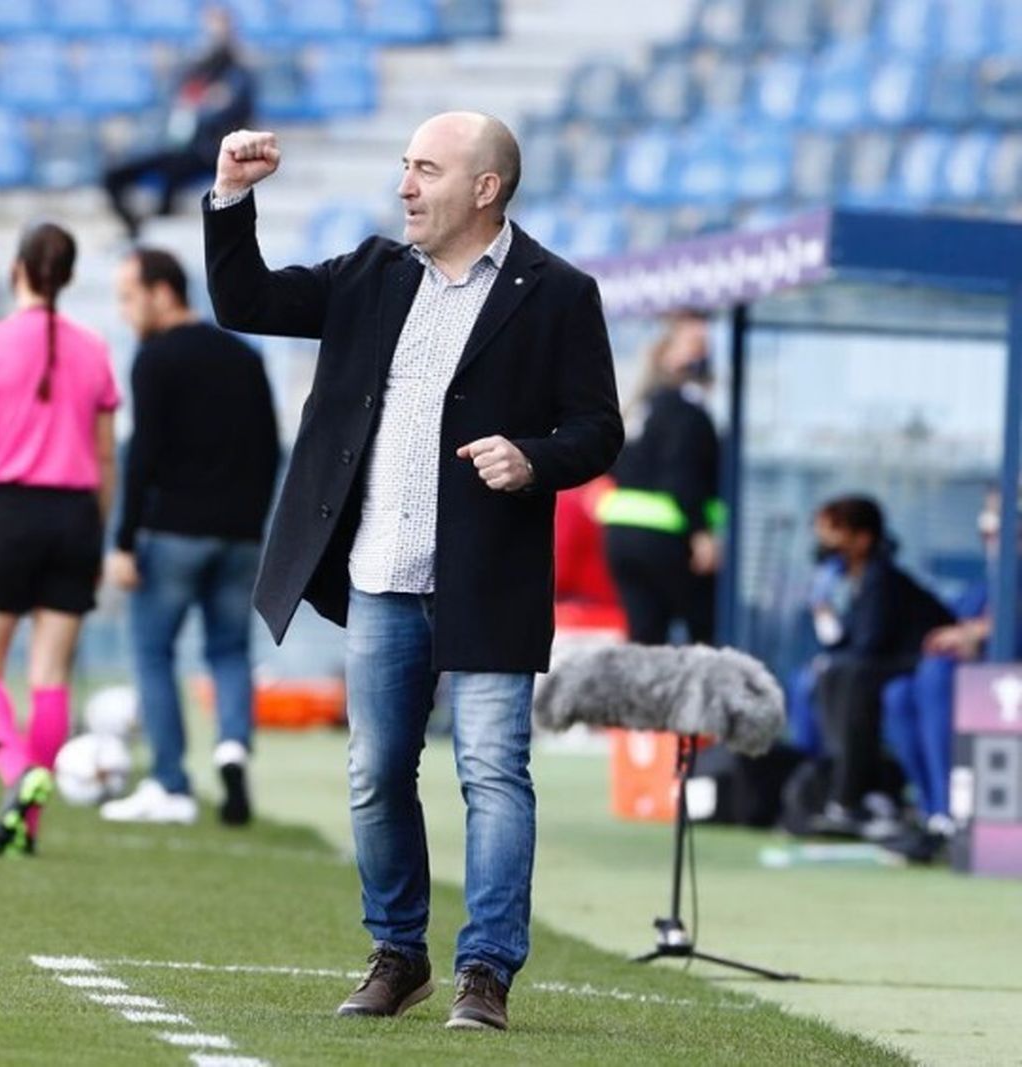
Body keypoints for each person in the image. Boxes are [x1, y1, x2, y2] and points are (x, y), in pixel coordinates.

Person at [203, 114, 622, 1031]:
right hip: (378, 573)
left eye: (425, 170)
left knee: (494, 774)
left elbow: (599, 429)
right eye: (403, 167)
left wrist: (535, 458)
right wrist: (234, 195)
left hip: (489, 578)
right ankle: (399, 953)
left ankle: (486, 972)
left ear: (485, 188)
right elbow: (249, 304)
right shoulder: (372, 272)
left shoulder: (558, 292)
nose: (404, 186)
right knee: (375, 772)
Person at [0, 222, 119, 858]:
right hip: (74, 517)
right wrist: (96, 535)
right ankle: (27, 827)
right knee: (50, 676)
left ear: (16, 270)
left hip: (7, 513)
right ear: (66, 277)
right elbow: (105, 458)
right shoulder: (94, 349)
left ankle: (16, 773)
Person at [100, 248, 280, 827]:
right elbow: (269, 449)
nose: (125, 311)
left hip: (172, 533)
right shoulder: (244, 356)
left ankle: (170, 782)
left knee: (153, 654)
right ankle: (231, 747)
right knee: (229, 652)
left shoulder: (155, 358)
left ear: (161, 291)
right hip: (239, 537)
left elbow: (143, 454)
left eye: (129, 296)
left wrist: (123, 542)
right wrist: (253, 527)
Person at [880, 488, 1017, 860]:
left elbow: (989, 632)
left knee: (937, 677)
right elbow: (952, 624)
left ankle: (953, 819)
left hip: (1007, 688)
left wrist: (981, 634)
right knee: (899, 693)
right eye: (988, 525)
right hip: (980, 685)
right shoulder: (989, 583)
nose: (992, 534)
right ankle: (935, 815)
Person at [808, 495, 952, 838]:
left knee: (854, 677)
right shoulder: (854, 580)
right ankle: (838, 784)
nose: (827, 545)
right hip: (892, 664)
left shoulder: (881, 578)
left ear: (862, 539)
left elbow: (870, 646)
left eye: (835, 534)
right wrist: (825, 618)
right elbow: (848, 644)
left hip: (923, 660)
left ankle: (855, 796)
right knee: (830, 673)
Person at [599, 311, 721, 645]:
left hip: (621, 536)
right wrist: (701, 533)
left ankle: (641, 698)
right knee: (703, 637)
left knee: (645, 638)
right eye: (697, 344)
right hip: (669, 536)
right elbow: (683, 475)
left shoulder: (641, 406)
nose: (704, 353)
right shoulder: (686, 409)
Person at [103, 5, 254, 240]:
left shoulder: (239, 74)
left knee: (172, 173)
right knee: (114, 175)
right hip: (171, 145)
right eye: (209, 27)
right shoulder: (192, 68)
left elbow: (228, 112)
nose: (212, 34)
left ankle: (159, 227)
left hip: (205, 151)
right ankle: (134, 228)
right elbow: (173, 105)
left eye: (219, 27)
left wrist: (205, 108)